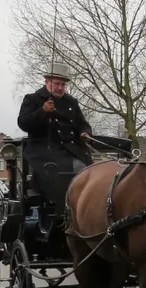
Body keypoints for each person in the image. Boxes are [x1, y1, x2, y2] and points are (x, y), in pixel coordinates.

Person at [17, 62, 93, 216]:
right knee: (62, 171)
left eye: (63, 84)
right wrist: (42, 111)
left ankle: (87, 208)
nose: (60, 87)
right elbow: (23, 123)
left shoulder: (71, 102)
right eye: (57, 83)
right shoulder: (33, 99)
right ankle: (63, 212)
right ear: (47, 82)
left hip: (70, 150)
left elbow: (83, 125)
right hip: (43, 150)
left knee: (87, 170)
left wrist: (85, 133)